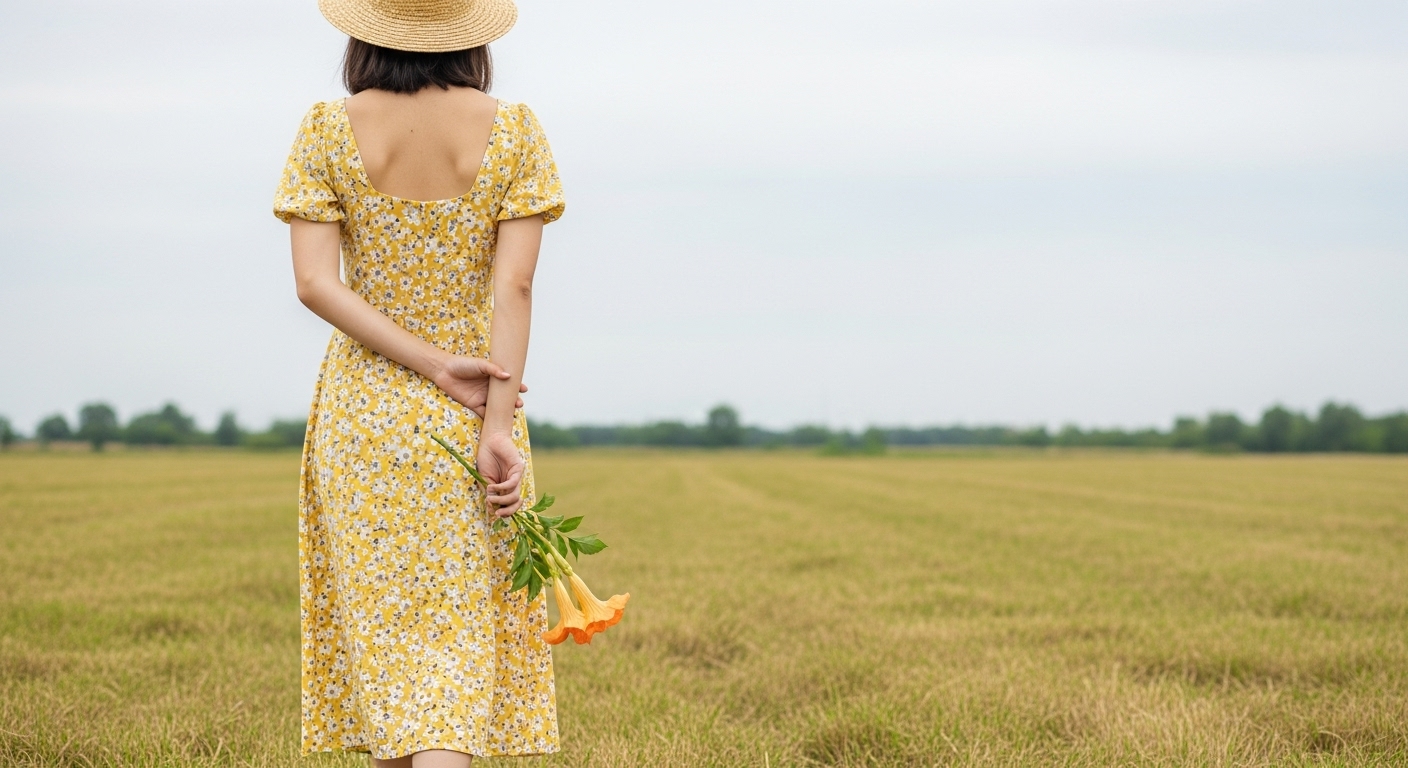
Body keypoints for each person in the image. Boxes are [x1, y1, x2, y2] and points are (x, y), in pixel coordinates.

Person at [272, 0, 565, 764]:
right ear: (471, 35)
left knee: (390, 655)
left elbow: (313, 283)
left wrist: (426, 365)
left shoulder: (327, 129)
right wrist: (496, 424)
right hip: (473, 410)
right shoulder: (514, 130)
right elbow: (516, 292)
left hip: (362, 415)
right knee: (451, 651)